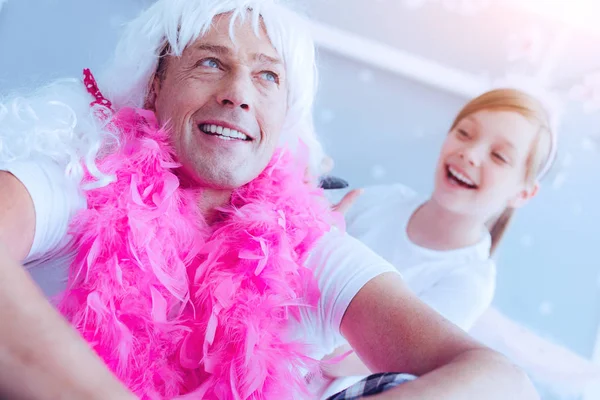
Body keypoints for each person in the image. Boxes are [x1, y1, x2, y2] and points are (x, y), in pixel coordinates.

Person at [0, 1, 539, 399]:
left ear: (283, 117)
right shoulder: (80, 177)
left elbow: (502, 380)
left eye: (267, 76)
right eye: (211, 62)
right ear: (154, 86)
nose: (239, 92)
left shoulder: (303, 241)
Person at [320, 88, 556, 395]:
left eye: (498, 156)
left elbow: (342, 360)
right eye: (464, 133)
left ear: (522, 193)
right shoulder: (388, 199)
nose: (469, 154)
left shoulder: (468, 281)